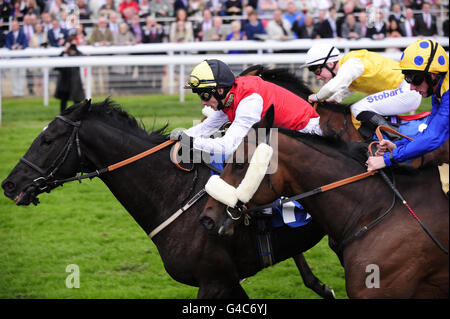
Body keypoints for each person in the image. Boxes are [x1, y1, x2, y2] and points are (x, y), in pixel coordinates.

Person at [176, 59, 322, 157]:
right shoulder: (231, 95)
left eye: (204, 95)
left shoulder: (249, 103)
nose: (203, 102)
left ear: (219, 90)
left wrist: (189, 141)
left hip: (310, 139)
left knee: (244, 158)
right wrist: (175, 136)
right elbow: (205, 127)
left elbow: (228, 147)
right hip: (291, 137)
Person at [303, 43, 422, 139]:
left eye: (317, 71)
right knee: (359, 108)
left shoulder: (351, 64)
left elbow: (333, 87)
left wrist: (318, 97)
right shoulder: (348, 66)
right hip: (405, 91)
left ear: (330, 64)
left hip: (407, 90)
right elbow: (345, 87)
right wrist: (334, 98)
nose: (317, 77)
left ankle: (394, 137)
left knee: (357, 108)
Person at [366, 39, 448, 171]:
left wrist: (388, 159)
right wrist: (398, 146)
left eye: (415, 79)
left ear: (433, 75)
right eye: (407, 79)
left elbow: (434, 138)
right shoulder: (439, 90)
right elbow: (428, 132)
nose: (411, 87)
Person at [54, 43, 85, 114]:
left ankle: (77, 113)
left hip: (74, 81)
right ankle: (62, 114)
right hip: (65, 81)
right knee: (64, 100)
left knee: (77, 99)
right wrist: (64, 51)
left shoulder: (77, 54)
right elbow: (57, 63)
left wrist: (73, 51)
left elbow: (81, 55)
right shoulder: (64, 54)